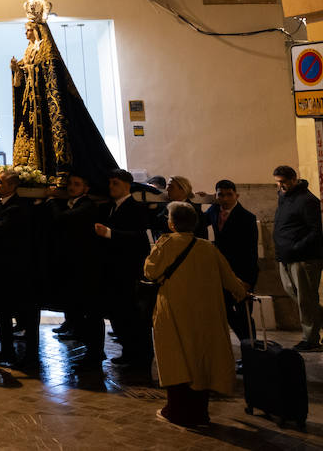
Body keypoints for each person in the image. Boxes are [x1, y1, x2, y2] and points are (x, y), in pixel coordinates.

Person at [146, 201, 250, 428]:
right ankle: (200, 413)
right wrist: (242, 292)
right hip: (205, 313)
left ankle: (176, 411)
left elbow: (150, 271)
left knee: (176, 359)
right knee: (202, 360)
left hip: (174, 311)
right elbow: (229, 278)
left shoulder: (165, 244)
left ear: (171, 224)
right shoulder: (207, 247)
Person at [10, 0, 120, 188]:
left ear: (36, 30)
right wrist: (17, 71)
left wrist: (31, 70)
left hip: (43, 102)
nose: (25, 33)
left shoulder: (46, 52)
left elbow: (51, 76)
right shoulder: (28, 51)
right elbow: (25, 77)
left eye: (27, 29)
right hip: (30, 101)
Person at [0, 169, 40, 368]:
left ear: (13, 186)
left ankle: (30, 358)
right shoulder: (0, 204)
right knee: (2, 314)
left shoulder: (18, 207)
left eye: (1, 182)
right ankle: (7, 352)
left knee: (26, 316)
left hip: (17, 271)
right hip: (0, 269)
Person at [95, 168, 154, 368]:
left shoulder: (135, 208)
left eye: (115, 183)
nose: (111, 187)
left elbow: (140, 239)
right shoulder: (112, 207)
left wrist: (111, 234)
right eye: (110, 183)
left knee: (133, 317)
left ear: (127, 186)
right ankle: (129, 352)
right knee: (119, 316)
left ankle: (141, 357)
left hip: (128, 271)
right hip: (113, 271)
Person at [47, 172, 104, 369]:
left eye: (77, 184)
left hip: (85, 267)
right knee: (78, 310)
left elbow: (61, 219)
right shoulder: (72, 203)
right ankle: (89, 349)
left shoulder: (87, 207)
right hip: (72, 266)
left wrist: (52, 199)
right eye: (70, 184)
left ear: (86, 188)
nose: (72, 187)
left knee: (91, 313)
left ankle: (95, 353)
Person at [273, 164, 323, 350]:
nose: (280, 186)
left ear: (293, 180)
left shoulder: (307, 200)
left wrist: (296, 247)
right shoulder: (284, 198)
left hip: (304, 258)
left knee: (306, 299)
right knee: (298, 296)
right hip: (287, 256)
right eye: (277, 183)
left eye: (282, 182)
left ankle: (310, 339)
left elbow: (317, 229)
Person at [203, 179, 258, 342]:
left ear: (237, 195)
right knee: (225, 309)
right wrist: (197, 201)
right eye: (221, 195)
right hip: (221, 271)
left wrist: (248, 280)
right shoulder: (213, 210)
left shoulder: (247, 218)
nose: (225, 199)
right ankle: (247, 344)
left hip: (241, 272)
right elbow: (198, 221)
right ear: (216, 196)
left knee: (245, 314)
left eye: (229, 195)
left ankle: (251, 351)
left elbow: (251, 251)